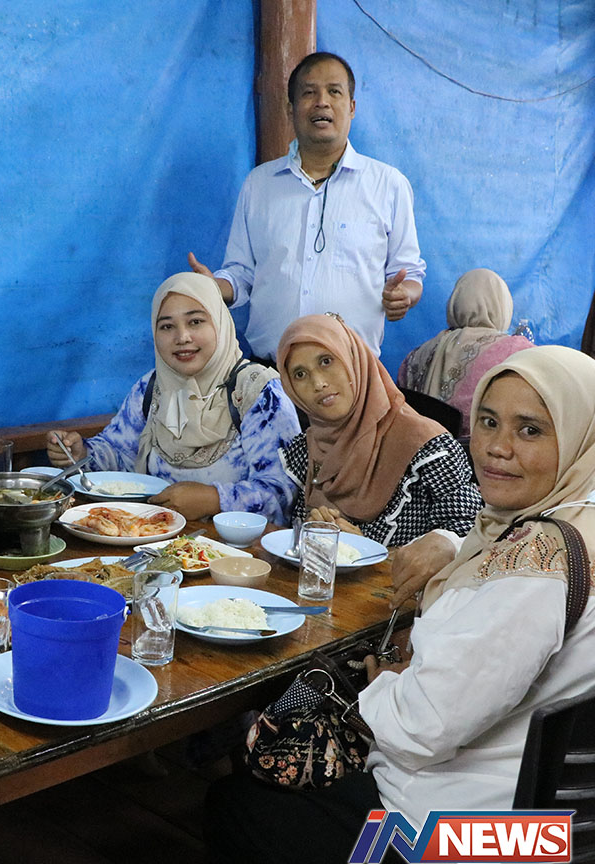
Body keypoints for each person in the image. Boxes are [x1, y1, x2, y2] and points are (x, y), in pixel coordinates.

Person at [205, 345, 595, 864]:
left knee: (236, 806)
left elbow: (423, 726)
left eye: (530, 430)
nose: (497, 447)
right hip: (555, 831)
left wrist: (385, 683)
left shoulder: (536, 565)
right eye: (487, 422)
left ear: (578, 434)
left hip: (469, 837)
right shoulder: (574, 522)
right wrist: (452, 548)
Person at [187, 52, 425, 362]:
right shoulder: (259, 184)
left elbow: (409, 273)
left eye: (334, 92)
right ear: (291, 109)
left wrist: (404, 295)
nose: (321, 102)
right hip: (270, 371)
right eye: (309, 93)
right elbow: (241, 273)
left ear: (352, 108)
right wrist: (214, 288)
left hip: (351, 372)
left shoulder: (388, 185)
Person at [47, 272, 300, 523]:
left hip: (237, 548)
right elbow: (120, 453)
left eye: (196, 322)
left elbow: (281, 492)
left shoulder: (258, 393)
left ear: (220, 323)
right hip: (154, 538)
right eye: (167, 326)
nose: (182, 338)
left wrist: (213, 500)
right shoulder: (152, 387)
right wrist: (81, 454)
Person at [277, 314, 481, 546]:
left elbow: (467, 535)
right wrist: (311, 531)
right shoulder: (304, 451)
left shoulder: (430, 449)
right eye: (300, 374)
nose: (318, 383)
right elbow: (288, 540)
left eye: (326, 361)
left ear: (354, 359)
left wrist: (366, 549)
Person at [398, 268, 535, 436]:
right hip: (479, 447)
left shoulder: (415, 356)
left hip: (420, 446)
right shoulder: (515, 349)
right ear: (503, 305)